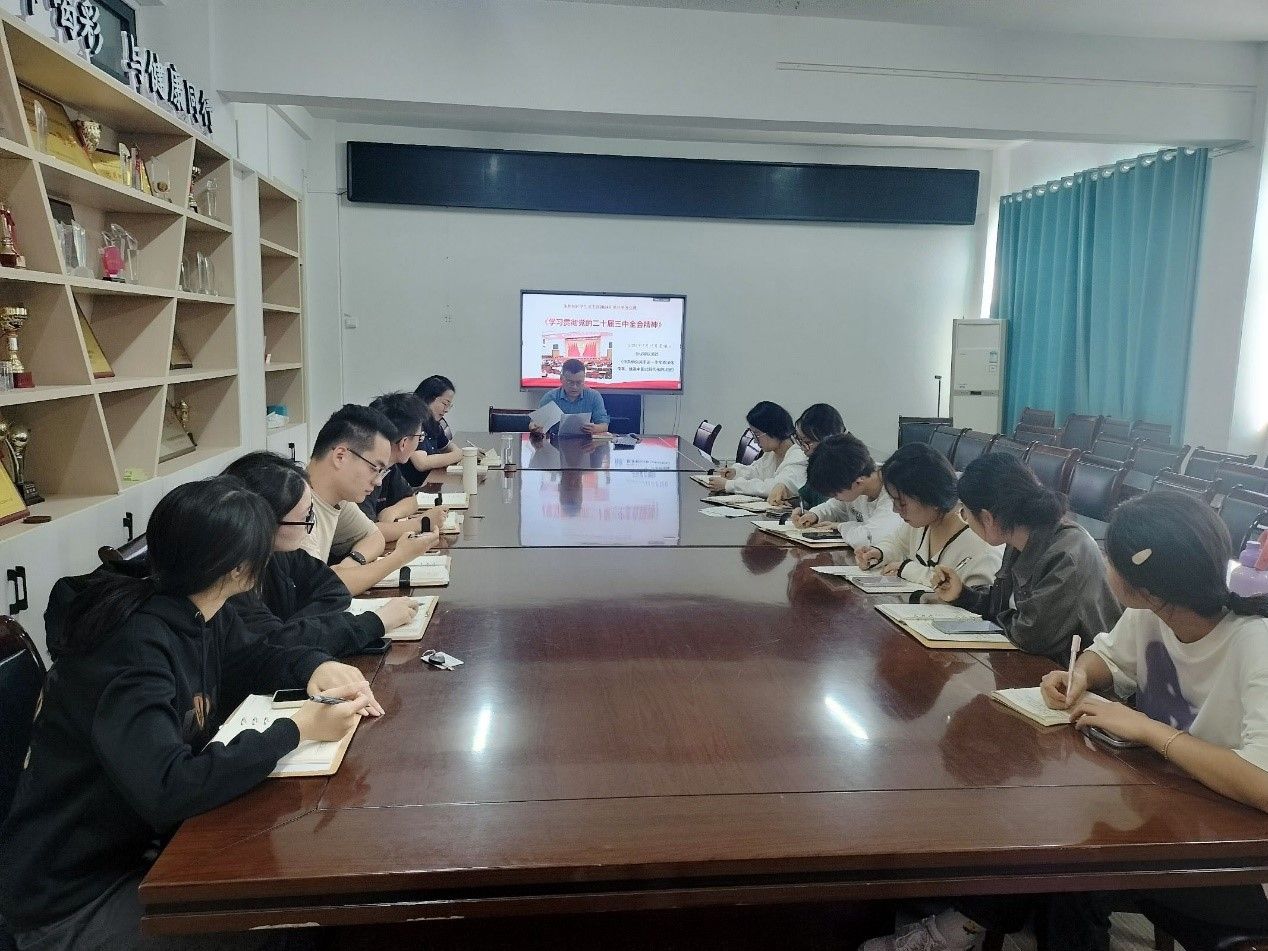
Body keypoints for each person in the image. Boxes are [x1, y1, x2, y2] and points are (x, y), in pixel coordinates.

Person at [862, 492, 1268, 951]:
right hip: (1168, 810)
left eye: (1111, 559)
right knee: (1043, 831)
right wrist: (1079, 675)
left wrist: (1150, 730)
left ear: (1147, 583)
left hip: (1235, 854)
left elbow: (1262, 783)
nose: (1104, 566)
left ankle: (964, 926)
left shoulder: (1255, 644)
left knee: (1071, 866)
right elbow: (1108, 657)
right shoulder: (1153, 613)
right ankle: (969, 923)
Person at [0, 477, 381, 951]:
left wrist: (314, 667)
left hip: (141, 851)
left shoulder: (196, 609)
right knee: (283, 922)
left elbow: (251, 658)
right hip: (73, 900)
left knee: (291, 897)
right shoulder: (133, 647)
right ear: (240, 567)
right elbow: (169, 787)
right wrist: (295, 729)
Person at [929, 452, 1121, 664]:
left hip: (1074, 673)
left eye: (965, 513)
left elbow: (1030, 634)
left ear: (987, 518)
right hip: (1036, 663)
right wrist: (963, 595)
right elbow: (1005, 608)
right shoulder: (1017, 537)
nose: (965, 519)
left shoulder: (1067, 553)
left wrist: (1000, 616)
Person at [223, 451, 420, 656]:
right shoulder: (232, 579)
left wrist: (297, 631)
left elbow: (335, 589)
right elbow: (275, 646)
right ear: (266, 522)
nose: (310, 526)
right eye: (305, 518)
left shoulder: (279, 554)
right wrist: (375, 622)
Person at [304, 404, 440, 595]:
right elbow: (323, 589)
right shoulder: (294, 507)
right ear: (340, 456)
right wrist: (399, 557)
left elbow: (374, 537)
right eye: (374, 469)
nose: (378, 482)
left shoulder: (338, 500)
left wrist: (350, 564)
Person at [854, 442, 1002, 590]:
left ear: (932, 497)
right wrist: (879, 553)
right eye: (893, 501)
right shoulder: (922, 523)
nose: (895, 510)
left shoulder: (979, 547)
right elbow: (897, 543)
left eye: (902, 503)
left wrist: (909, 570)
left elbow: (971, 597)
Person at [363, 392, 446, 544]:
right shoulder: (363, 473)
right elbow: (368, 532)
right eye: (419, 437)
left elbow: (411, 500)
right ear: (403, 443)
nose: (419, 442)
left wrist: (393, 511)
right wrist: (423, 522)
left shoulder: (390, 466)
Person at [793, 433, 902, 548]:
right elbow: (834, 507)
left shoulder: (894, 493)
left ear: (858, 482)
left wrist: (840, 526)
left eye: (835, 494)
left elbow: (868, 539)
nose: (834, 497)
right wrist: (814, 515)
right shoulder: (855, 478)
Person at [706, 401, 806, 503]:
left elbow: (773, 487)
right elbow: (756, 471)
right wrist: (736, 473)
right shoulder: (772, 453)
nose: (755, 440)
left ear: (773, 430)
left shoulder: (799, 456)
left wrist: (729, 485)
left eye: (757, 434)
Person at [768, 403, 847, 507]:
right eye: (799, 440)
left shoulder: (845, 470)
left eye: (807, 442)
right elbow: (806, 498)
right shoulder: (817, 466)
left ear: (828, 440)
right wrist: (786, 496)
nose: (802, 448)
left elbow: (834, 510)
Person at [400, 374, 464, 485]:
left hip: (431, 482)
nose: (446, 410)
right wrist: (460, 455)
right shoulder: (412, 421)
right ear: (428, 398)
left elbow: (447, 446)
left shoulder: (433, 422)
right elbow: (421, 463)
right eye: (444, 404)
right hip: (414, 487)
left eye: (449, 406)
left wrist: (464, 452)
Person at [530, 358, 610, 435]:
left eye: (579, 382)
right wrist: (535, 427)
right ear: (561, 379)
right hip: (555, 441)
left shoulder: (593, 396)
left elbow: (604, 425)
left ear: (584, 380)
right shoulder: (551, 397)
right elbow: (534, 424)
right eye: (570, 382)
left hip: (586, 442)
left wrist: (595, 428)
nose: (574, 387)